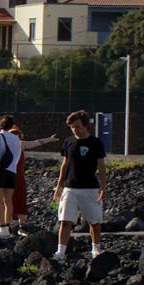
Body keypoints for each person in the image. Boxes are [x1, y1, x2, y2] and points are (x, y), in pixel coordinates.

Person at [54, 110, 109, 262]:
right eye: (72, 127)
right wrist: (59, 186)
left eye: (77, 126)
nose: (75, 130)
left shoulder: (95, 143)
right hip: (70, 187)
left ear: (85, 126)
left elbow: (102, 167)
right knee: (65, 221)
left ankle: (96, 249)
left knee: (94, 222)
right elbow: (64, 165)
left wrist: (103, 187)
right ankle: (60, 252)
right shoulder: (69, 142)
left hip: (90, 188)